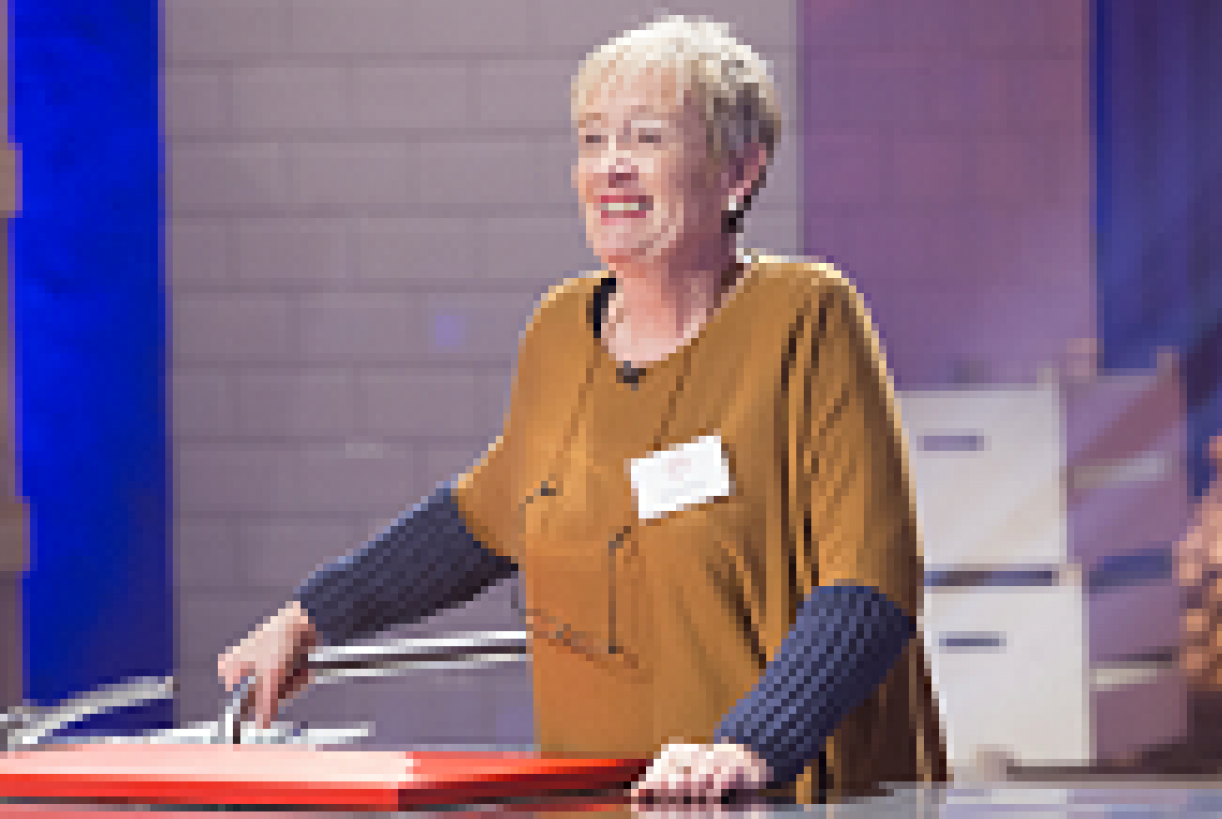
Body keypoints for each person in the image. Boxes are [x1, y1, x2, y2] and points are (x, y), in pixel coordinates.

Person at [219, 15, 948, 805]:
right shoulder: (560, 328)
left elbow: (870, 581)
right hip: (604, 799)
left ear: (739, 171)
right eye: (593, 140)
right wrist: (307, 619)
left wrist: (747, 746)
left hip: (774, 797)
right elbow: (483, 515)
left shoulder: (806, 316)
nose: (611, 168)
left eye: (647, 138)